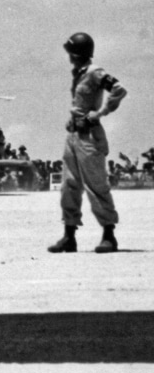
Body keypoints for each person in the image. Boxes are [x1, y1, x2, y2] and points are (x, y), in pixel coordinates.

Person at [49, 32, 128, 254]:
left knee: (96, 185)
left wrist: (99, 113)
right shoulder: (79, 74)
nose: (69, 57)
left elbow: (119, 90)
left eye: (71, 53)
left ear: (77, 53)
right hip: (74, 136)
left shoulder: (95, 73)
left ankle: (109, 236)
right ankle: (69, 235)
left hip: (90, 137)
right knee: (69, 185)